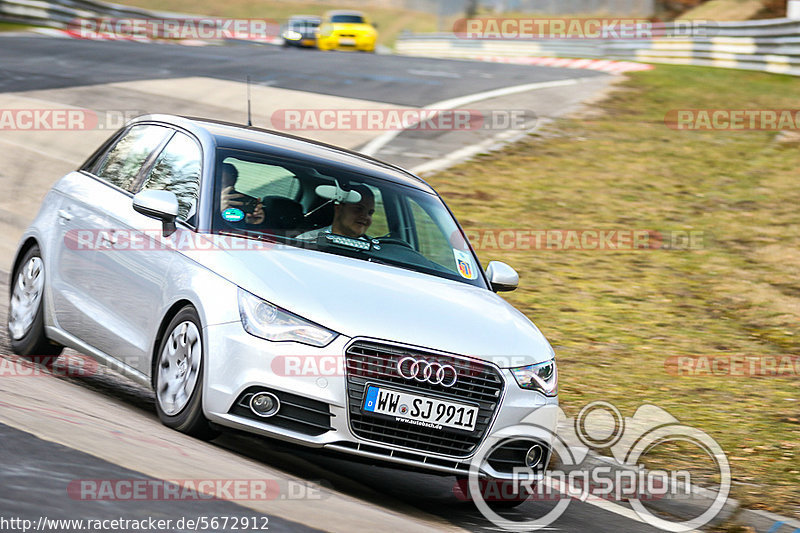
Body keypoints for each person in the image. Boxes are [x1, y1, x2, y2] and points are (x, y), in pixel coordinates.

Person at [298, 184, 374, 240]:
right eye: (358, 209)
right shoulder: (306, 240)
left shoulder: (374, 251)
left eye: (370, 213)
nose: (365, 217)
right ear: (338, 208)